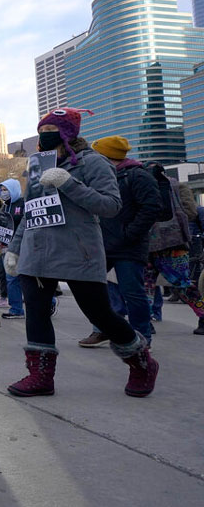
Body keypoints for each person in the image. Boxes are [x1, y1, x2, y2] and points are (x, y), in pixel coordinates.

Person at [4, 108, 159, 399]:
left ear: (68, 132)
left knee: (100, 313)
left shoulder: (94, 163)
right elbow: (30, 209)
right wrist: (14, 248)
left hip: (78, 251)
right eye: (41, 129)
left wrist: (68, 183)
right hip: (37, 252)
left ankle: (141, 362)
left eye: (50, 129)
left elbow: (111, 205)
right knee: (36, 312)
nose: (44, 135)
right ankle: (40, 376)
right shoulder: (37, 164)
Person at [78, 136, 161, 348]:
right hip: (102, 243)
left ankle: (142, 336)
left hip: (128, 246)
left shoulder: (138, 175)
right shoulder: (99, 175)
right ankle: (103, 329)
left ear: (106, 155)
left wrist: (129, 234)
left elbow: (151, 208)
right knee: (94, 291)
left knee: (132, 292)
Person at [143, 172, 204, 336]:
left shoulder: (139, 182)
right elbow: (191, 212)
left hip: (145, 242)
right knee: (183, 283)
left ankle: (145, 322)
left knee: (145, 285)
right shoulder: (177, 186)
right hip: (174, 243)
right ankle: (203, 316)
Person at [0, 178, 25, 319]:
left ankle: (49, 301)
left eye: (6, 189)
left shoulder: (23, 204)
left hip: (22, 247)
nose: (3, 193)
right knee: (11, 278)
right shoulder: (4, 207)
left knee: (27, 278)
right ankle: (16, 309)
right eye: (2, 190)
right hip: (7, 247)